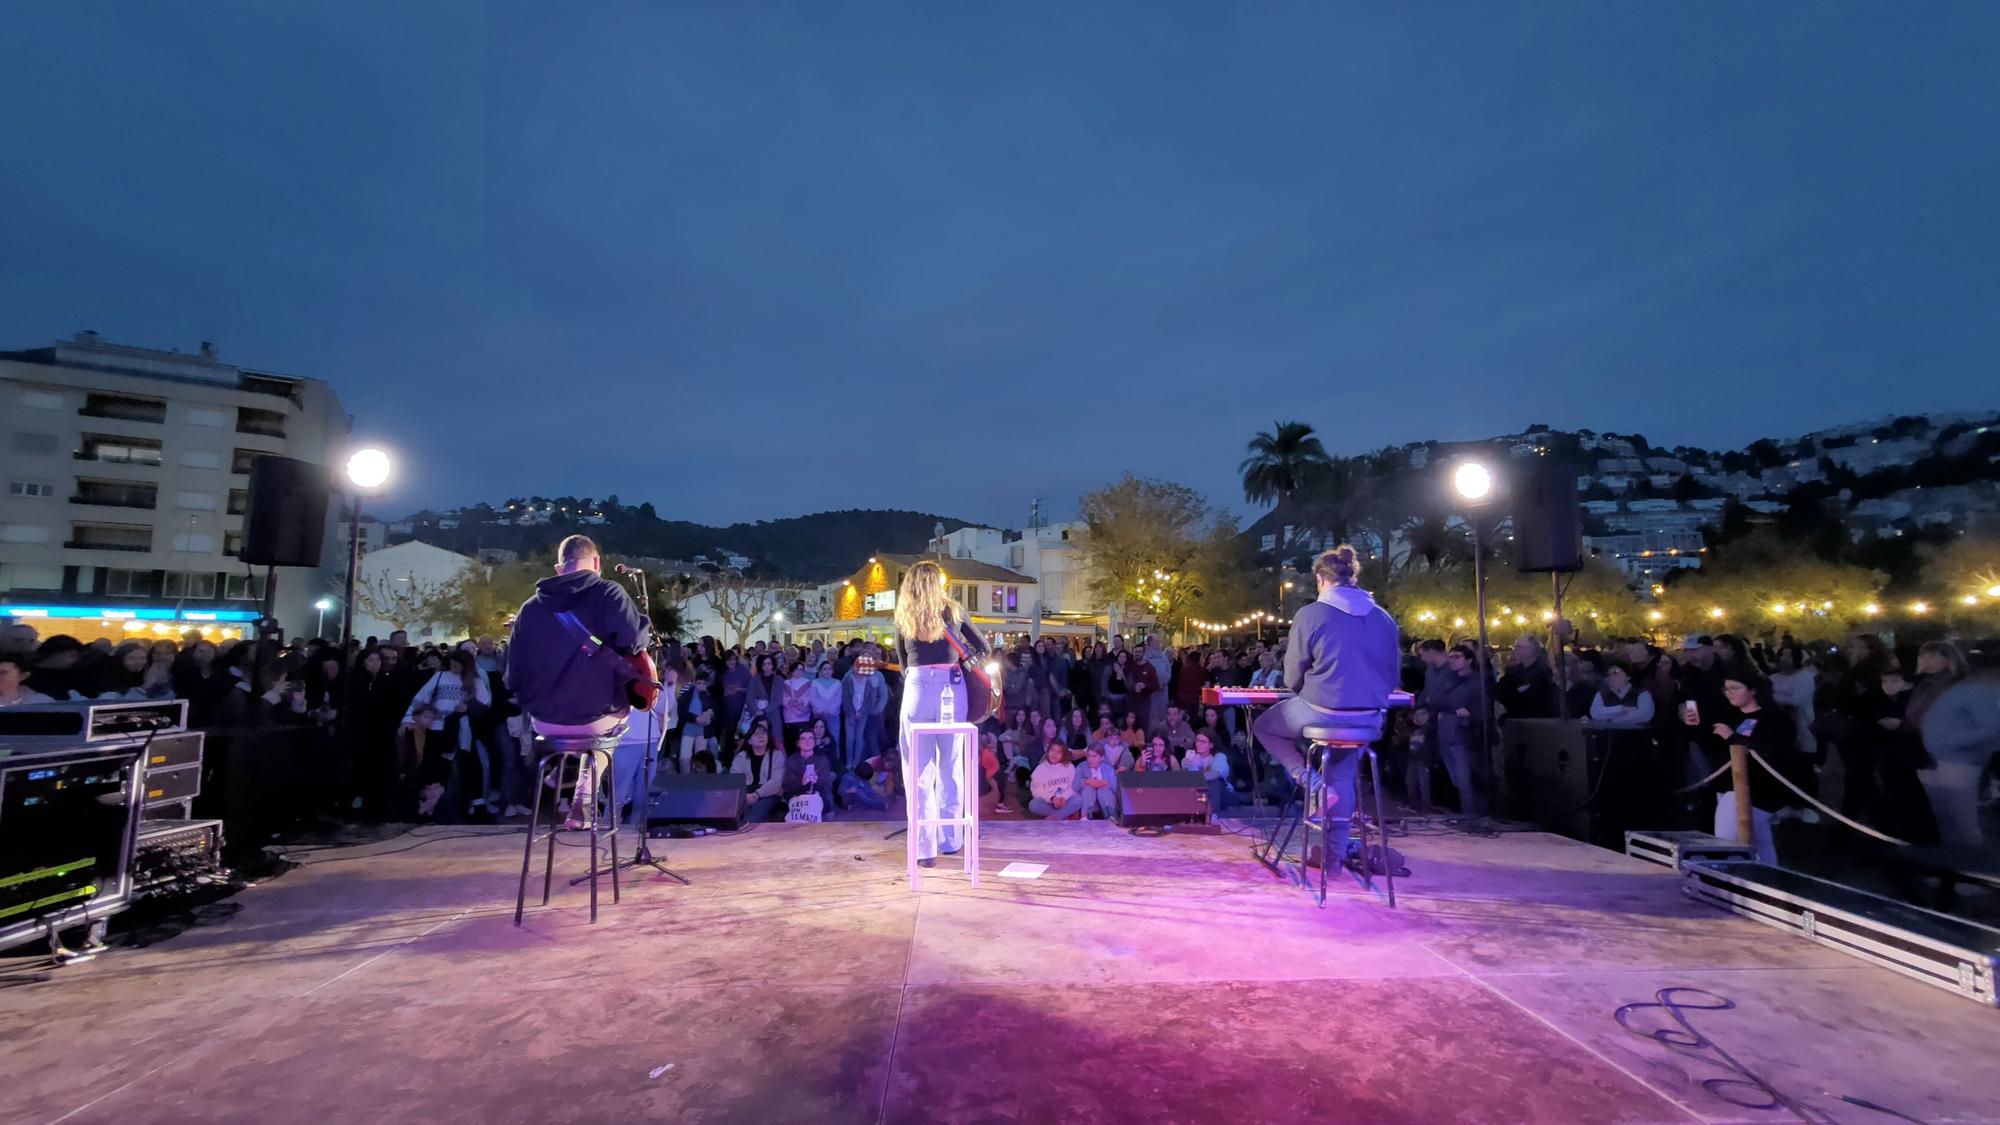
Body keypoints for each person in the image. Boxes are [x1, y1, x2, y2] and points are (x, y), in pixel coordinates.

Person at [1251, 547, 1400, 862]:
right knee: (1342, 775)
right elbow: (1392, 676)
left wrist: (1308, 688)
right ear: (1355, 578)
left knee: (1265, 727)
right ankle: (1332, 861)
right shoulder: (1384, 618)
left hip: (1324, 711)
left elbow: (1292, 677)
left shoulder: (1311, 614)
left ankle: (1311, 782)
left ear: (1320, 579)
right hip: (1370, 720)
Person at [503, 535, 651, 830]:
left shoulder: (529, 608)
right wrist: (644, 623)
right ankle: (584, 793)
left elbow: (512, 677)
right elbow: (634, 642)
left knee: (580, 724)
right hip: (594, 719)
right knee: (619, 721)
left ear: (559, 569)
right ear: (596, 563)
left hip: (544, 722)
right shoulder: (609, 592)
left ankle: (565, 764)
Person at [893, 559, 991, 867]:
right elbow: (983, 647)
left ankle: (925, 849)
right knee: (951, 765)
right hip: (952, 685)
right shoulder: (954, 610)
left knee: (918, 770)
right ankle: (952, 840)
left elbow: (902, 662)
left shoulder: (903, 615)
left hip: (918, 688)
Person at [1684, 672, 1798, 865]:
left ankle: (1730, 878)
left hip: (1758, 789)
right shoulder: (1729, 715)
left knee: (1728, 839)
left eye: (1735, 688)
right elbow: (1710, 743)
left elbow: (1771, 751)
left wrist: (1733, 737)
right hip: (1727, 784)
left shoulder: (1775, 718)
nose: (1730, 693)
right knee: (1759, 841)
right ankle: (1767, 878)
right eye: (1726, 689)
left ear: (1753, 689)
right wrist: (1693, 726)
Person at [839, 649, 889, 772]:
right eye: (863, 658)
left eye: (868, 658)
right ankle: (851, 763)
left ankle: (868, 766)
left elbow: (883, 695)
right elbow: (844, 695)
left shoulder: (877, 675)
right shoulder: (849, 676)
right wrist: (851, 713)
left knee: (870, 741)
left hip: (871, 714)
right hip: (853, 713)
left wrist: (877, 710)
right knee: (851, 739)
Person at [733, 722, 787, 822]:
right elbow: (734, 781)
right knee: (737, 817)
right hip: (745, 793)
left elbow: (776, 782)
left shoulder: (776, 755)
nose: (761, 736)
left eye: (763, 733)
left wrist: (757, 794)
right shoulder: (741, 757)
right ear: (749, 740)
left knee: (752, 818)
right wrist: (745, 796)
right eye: (756, 734)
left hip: (769, 793)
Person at [782, 728, 836, 821]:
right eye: (803, 738)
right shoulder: (791, 761)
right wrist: (802, 783)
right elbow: (788, 788)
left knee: (813, 808)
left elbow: (827, 786)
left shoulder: (822, 760)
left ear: (815, 742)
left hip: (818, 797)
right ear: (798, 743)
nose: (807, 741)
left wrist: (817, 781)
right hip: (797, 798)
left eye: (811, 738)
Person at [1027, 741, 1081, 820]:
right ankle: (1064, 816)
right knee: (1033, 805)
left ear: (1063, 755)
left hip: (1066, 801)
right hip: (1049, 802)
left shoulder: (1069, 767)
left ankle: (1054, 817)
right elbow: (1036, 790)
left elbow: (1074, 786)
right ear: (1048, 752)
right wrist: (1052, 798)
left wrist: (1064, 798)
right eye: (1052, 750)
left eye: (1058, 752)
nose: (1054, 754)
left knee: (1078, 799)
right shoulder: (1040, 769)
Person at [1589, 663, 1655, 727]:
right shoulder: (1602, 693)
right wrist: (1622, 709)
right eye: (1609, 674)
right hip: (1608, 736)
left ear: (1628, 676)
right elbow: (1595, 713)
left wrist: (1615, 719)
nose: (1612, 677)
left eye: (1616, 673)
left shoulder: (1642, 693)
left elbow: (1644, 715)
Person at [1186, 729, 1231, 813]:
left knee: (1214, 782)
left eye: (1203, 742)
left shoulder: (1219, 756)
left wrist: (1196, 776)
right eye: (1197, 740)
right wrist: (1186, 765)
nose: (1198, 744)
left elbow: (1215, 774)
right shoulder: (1192, 756)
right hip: (1198, 794)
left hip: (1222, 795)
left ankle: (1213, 814)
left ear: (1211, 745)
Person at [1070, 742, 1120, 819]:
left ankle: (1111, 817)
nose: (1090, 759)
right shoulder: (1081, 766)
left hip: (1104, 800)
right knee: (1088, 789)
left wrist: (1106, 783)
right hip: (1089, 800)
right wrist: (1086, 781)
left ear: (1102, 758)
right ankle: (1085, 817)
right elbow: (1075, 786)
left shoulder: (1108, 768)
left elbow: (1116, 790)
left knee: (1103, 791)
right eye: (1088, 756)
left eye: (1094, 756)